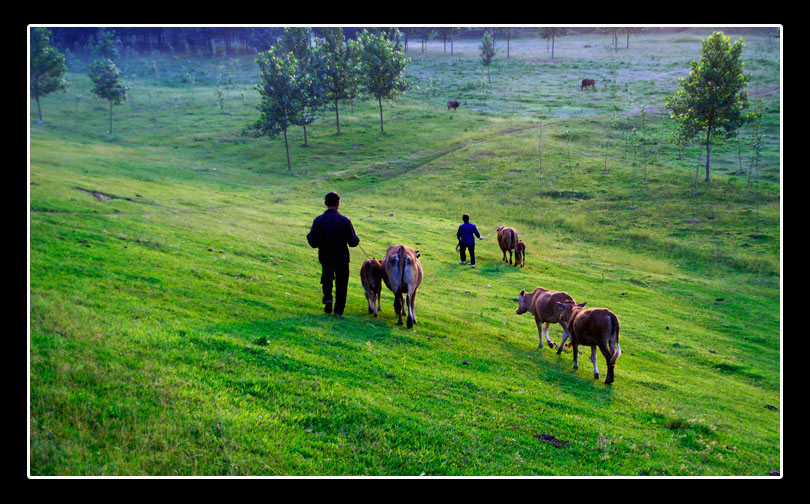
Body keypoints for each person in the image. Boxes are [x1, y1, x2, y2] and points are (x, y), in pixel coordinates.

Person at [306, 192, 360, 317]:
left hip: (325, 255)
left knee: (327, 277)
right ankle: (338, 310)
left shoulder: (319, 220)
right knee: (342, 282)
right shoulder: (345, 220)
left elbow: (312, 240)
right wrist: (356, 239)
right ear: (338, 204)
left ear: (325, 203)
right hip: (342, 257)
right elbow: (353, 242)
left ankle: (328, 298)